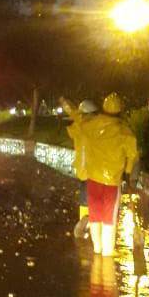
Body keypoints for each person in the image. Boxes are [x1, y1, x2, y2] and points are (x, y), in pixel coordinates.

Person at [79, 93, 139, 256]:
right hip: (112, 182)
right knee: (108, 219)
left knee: (95, 215)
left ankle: (97, 249)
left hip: (92, 179)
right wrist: (128, 174)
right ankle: (107, 253)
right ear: (120, 111)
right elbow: (132, 155)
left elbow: (80, 127)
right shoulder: (124, 131)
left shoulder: (91, 125)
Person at [61, 98, 99, 238]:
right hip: (95, 172)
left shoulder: (79, 127)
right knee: (93, 200)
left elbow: (74, 120)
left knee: (84, 199)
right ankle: (90, 226)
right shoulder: (96, 128)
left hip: (83, 172)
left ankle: (85, 226)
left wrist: (66, 105)